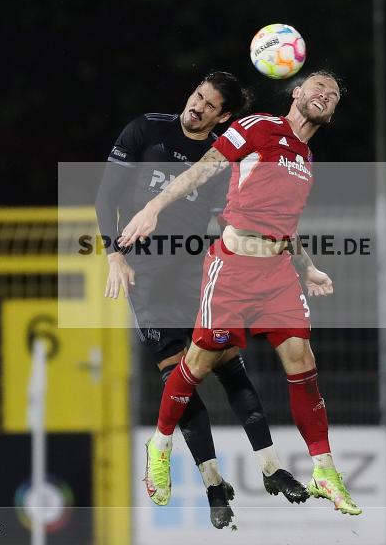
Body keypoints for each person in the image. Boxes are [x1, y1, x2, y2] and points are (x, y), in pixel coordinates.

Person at [119, 70, 362, 516]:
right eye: (318, 88)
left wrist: (308, 268)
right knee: (197, 363)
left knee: (302, 361)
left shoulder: (306, 157)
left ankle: (324, 469)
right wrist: (154, 206)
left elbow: (285, 226)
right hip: (232, 270)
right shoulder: (258, 127)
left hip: (277, 276)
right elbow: (204, 167)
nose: (325, 96)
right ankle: (160, 444)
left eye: (333, 95)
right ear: (296, 92)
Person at [94, 71, 307, 529]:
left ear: (223, 116)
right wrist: (114, 256)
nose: (197, 107)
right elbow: (106, 195)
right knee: (179, 378)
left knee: (228, 364)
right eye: (196, 96)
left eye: (210, 105)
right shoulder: (146, 130)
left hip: (195, 273)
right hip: (146, 281)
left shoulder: (222, 159)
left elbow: (243, 215)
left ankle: (272, 469)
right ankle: (215, 488)